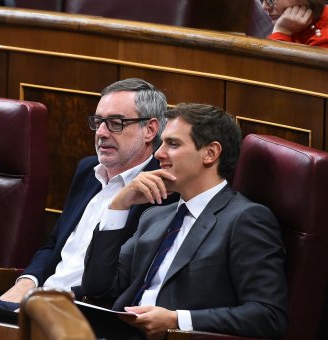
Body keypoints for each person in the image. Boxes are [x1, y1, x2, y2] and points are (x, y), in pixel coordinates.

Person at [81, 103, 288, 339]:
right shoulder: (155, 216)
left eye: (174, 144)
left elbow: (269, 315)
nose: (158, 153)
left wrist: (177, 320)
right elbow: (97, 287)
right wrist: (118, 207)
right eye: (162, 143)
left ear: (210, 153)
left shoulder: (245, 219)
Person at [0, 78, 178, 313]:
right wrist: (27, 282)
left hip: (83, 311)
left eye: (115, 123)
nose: (101, 133)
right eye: (99, 121)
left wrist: (63, 298)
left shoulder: (161, 189)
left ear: (150, 130)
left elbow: (129, 278)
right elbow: (53, 244)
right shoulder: (87, 171)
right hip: (36, 300)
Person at [262, 0, 328, 47]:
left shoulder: (324, 42)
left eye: (270, 1)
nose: (264, 6)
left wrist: (281, 32)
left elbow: (270, 66)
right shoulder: (292, 25)